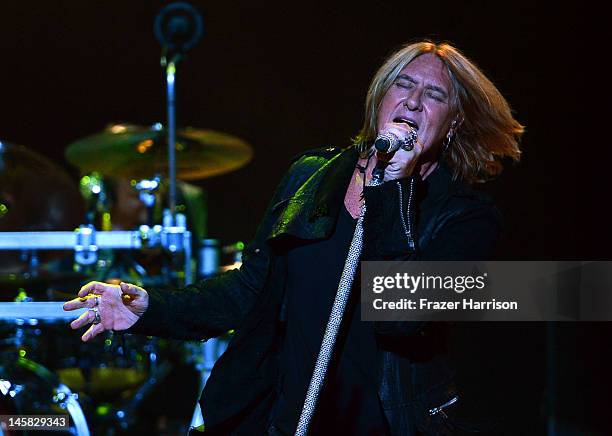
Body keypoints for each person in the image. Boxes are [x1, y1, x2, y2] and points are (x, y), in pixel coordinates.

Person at [64, 40, 523, 435]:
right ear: (380, 97)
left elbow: (402, 319)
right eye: (403, 85)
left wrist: (395, 187)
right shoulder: (312, 178)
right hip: (286, 420)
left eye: (435, 94)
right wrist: (151, 308)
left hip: (388, 425)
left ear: (454, 123)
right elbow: (250, 291)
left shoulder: (467, 217)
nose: (413, 101)